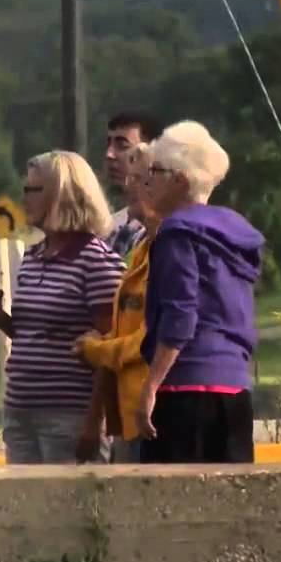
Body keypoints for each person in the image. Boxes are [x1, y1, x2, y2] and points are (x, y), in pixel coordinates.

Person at [0, 151, 124, 464]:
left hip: (70, 413)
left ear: (62, 195)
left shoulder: (97, 262)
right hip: (20, 409)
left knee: (70, 496)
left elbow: (111, 350)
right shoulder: (33, 255)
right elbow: (35, 335)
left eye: (34, 190)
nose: (24, 198)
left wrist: (94, 422)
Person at [137, 121, 264, 464]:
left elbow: (181, 314)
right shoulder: (235, 233)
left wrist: (151, 386)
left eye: (156, 171)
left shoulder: (177, 234)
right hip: (234, 387)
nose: (147, 180)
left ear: (179, 180)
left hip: (185, 388)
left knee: (172, 495)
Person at [77, 144, 158, 463]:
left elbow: (153, 337)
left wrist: (96, 350)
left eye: (137, 178)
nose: (127, 186)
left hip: (154, 417)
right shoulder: (140, 250)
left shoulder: (171, 250)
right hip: (129, 416)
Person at [104, 112, 165, 260]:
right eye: (108, 144)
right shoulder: (108, 226)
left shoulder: (169, 230)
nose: (109, 154)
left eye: (122, 146)